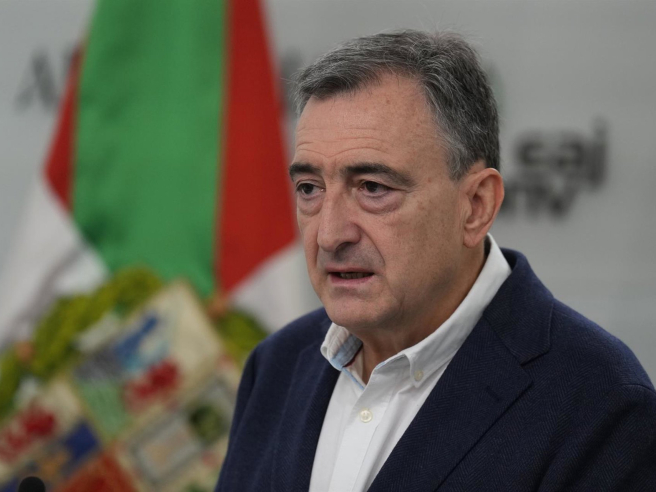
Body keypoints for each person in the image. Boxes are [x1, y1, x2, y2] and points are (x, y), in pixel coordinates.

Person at [215, 30, 656, 491]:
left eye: (373, 188)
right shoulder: (276, 367)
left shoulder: (600, 405)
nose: (329, 234)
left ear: (476, 206)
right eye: (309, 189)